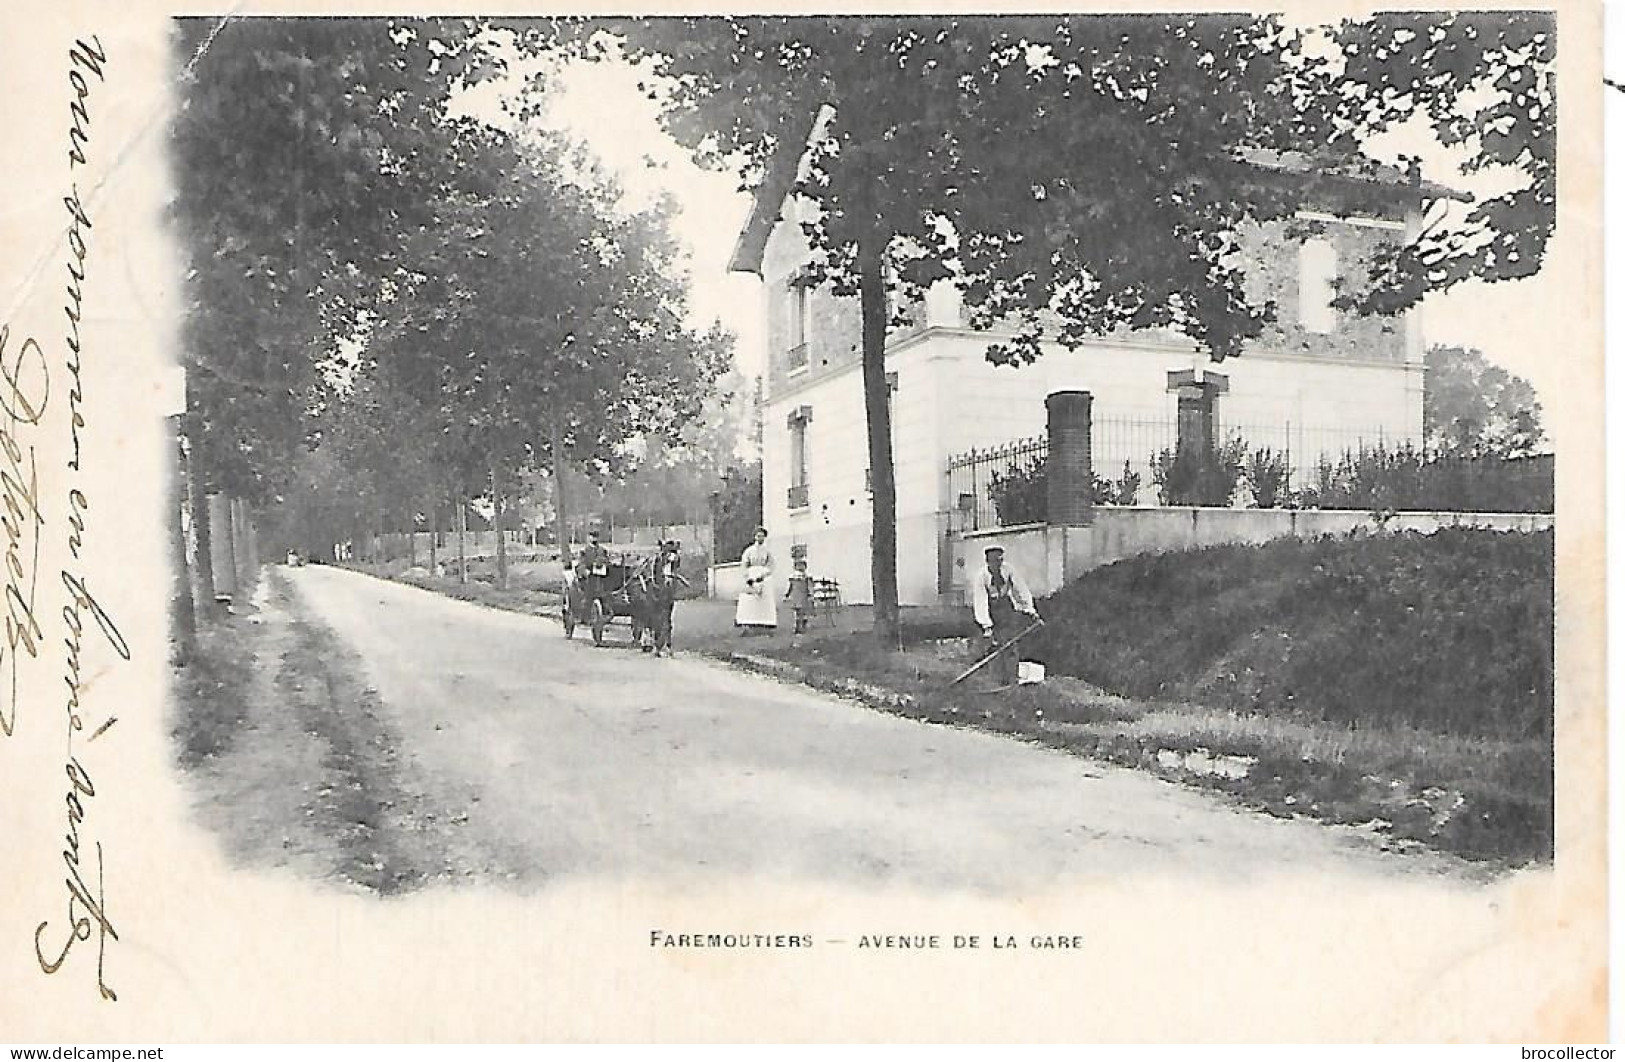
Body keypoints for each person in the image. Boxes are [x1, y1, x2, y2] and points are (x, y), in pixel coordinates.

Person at [971, 545, 1039, 686]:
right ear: (988, 562)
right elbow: (980, 601)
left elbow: (1021, 589)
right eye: (994, 561)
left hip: (1006, 608)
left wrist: (1030, 610)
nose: (998, 564)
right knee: (994, 647)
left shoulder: (1008, 570)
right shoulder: (981, 576)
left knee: (1011, 644)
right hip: (990, 609)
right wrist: (986, 626)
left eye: (1000, 561)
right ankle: (996, 681)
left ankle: (1012, 680)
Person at [642, 539, 688, 656]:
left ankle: (667, 645)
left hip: (666, 588)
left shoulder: (673, 557)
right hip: (657, 587)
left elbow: (674, 566)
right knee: (655, 617)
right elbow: (654, 571)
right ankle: (655, 643)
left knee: (667, 617)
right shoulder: (657, 559)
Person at [735, 526, 777, 633]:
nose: (760, 538)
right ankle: (747, 623)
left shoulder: (767, 551)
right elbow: (744, 565)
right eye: (758, 536)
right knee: (750, 599)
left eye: (762, 536)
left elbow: (772, 565)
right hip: (751, 574)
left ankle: (765, 623)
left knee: (764, 599)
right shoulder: (749, 551)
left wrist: (764, 574)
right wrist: (748, 578)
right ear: (755, 537)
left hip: (763, 576)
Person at [575, 529, 612, 613]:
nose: (594, 539)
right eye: (592, 537)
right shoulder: (584, 551)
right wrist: (585, 571)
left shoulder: (603, 550)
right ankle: (587, 604)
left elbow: (607, 561)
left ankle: (606, 602)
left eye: (596, 537)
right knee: (589, 584)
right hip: (589, 576)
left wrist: (605, 564)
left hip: (602, 575)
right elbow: (581, 563)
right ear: (589, 538)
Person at [784, 556, 813, 634]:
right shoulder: (793, 577)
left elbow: (809, 586)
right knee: (797, 612)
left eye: (802, 565)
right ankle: (797, 627)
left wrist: (810, 594)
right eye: (798, 565)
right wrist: (787, 594)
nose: (800, 567)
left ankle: (803, 626)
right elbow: (790, 586)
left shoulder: (806, 577)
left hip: (803, 595)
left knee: (803, 612)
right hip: (796, 596)